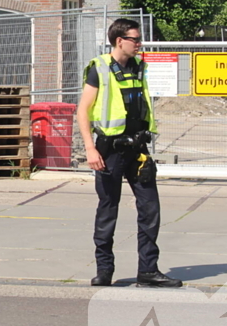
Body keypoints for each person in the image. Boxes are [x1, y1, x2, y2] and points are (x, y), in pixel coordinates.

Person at [76, 19, 182, 289]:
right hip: (109, 151)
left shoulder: (139, 66)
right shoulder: (99, 68)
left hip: (138, 150)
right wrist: (90, 147)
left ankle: (148, 270)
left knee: (150, 209)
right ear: (119, 40)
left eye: (139, 39)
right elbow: (83, 111)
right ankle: (104, 270)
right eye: (135, 39)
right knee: (108, 210)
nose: (139, 44)